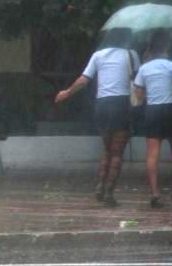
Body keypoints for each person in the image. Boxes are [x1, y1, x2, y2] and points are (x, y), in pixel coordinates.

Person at [55, 28, 139, 207]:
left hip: (103, 104)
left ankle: (100, 184)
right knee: (117, 152)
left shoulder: (98, 55)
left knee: (107, 149)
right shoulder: (131, 55)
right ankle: (109, 191)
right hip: (122, 104)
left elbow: (84, 80)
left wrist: (66, 93)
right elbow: (138, 80)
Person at [133, 29, 172, 208]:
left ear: (151, 49)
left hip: (152, 112)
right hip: (170, 110)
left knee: (152, 154)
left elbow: (139, 95)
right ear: (166, 48)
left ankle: (155, 194)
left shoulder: (143, 68)